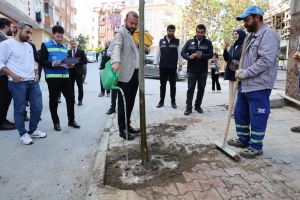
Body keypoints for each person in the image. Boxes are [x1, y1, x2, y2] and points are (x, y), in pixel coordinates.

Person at [227, 6, 280, 158]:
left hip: (260, 83)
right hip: (246, 83)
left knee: (257, 114)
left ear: (258, 18)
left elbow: (265, 61)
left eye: (247, 20)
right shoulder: (251, 37)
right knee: (240, 112)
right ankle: (243, 139)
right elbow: (246, 58)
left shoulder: (269, 35)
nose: (245, 24)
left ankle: (256, 146)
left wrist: (246, 72)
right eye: (244, 21)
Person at [0, 21, 47, 145]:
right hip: (17, 82)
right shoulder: (6, 44)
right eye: (27, 32)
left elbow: (32, 63)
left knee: (37, 107)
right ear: (18, 30)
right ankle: (23, 134)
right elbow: (0, 63)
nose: (29, 36)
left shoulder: (28, 46)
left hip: (33, 81)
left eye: (31, 33)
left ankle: (32, 130)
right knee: (19, 110)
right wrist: (13, 75)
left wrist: (36, 73)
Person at [111, 11, 150, 140]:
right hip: (125, 75)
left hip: (135, 74)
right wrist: (116, 61)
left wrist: (142, 45)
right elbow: (116, 47)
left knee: (131, 102)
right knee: (123, 104)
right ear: (125, 21)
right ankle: (122, 130)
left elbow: (147, 49)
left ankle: (128, 125)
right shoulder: (120, 33)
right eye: (131, 23)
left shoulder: (138, 34)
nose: (133, 26)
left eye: (135, 23)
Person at [39, 25, 81, 131]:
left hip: (65, 77)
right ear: (52, 35)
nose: (59, 39)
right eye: (58, 36)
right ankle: (56, 123)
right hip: (52, 78)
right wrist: (53, 63)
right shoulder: (45, 45)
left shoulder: (64, 47)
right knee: (54, 101)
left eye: (61, 37)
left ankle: (71, 121)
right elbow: (42, 61)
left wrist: (70, 65)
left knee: (70, 99)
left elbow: (66, 61)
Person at [181, 24, 213, 116]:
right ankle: (188, 108)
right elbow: (182, 52)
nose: (199, 34)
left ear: (204, 32)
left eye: (201, 32)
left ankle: (197, 106)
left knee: (201, 89)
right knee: (190, 89)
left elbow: (210, 54)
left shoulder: (208, 43)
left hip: (203, 71)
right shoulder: (189, 42)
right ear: (196, 32)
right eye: (198, 32)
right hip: (191, 70)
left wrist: (202, 56)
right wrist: (188, 57)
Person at [154, 24, 183, 109]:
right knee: (162, 85)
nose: (171, 32)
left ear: (174, 31)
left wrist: (180, 64)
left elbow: (180, 54)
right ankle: (161, 101)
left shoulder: (177, 41)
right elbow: (158, 53)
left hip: (172, 67)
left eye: (172, 31)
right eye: (169, 31)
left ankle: (173, 102)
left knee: (173, 85)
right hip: (163, 67)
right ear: (167, 31)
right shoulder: (161, 41)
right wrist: (155, 63)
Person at [223, 29, 246, 116]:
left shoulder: (244, 46)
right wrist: (225, 49)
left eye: (236, 34)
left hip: (239, 73)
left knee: (239, 93)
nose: (234, 36)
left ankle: (239, 112)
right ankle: (231, 112)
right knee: (231, 93)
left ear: (241, 35)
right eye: (234, 34)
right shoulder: (233, 47)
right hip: (231, 71)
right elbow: (226, 59)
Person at [0, 18, 16, 130]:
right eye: (11, 26)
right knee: (4, 97)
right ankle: (1, 122)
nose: (12, 29)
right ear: (6, 26)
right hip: (2, 73)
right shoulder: (2, 38)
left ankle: (2, 119)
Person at [68, 38, 87, 106]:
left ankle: (80, 100)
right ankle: (72, 100)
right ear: (70, 44)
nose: (73, 45)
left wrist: (78, 61)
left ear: (76, 44)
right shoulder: (68, 52)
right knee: (71, 87)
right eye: (72, 44)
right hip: (71, 72)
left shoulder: (81, 51)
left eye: (74, 44)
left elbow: (85, 61)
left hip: (79, 72)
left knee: (80, 87)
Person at [105, 41, 117, 115]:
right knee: (114, 88)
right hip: (115, 68)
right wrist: (115, 54)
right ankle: (113, 107)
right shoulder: (113, 42)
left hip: (126, 68)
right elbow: (108, 52)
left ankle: (124, 107)